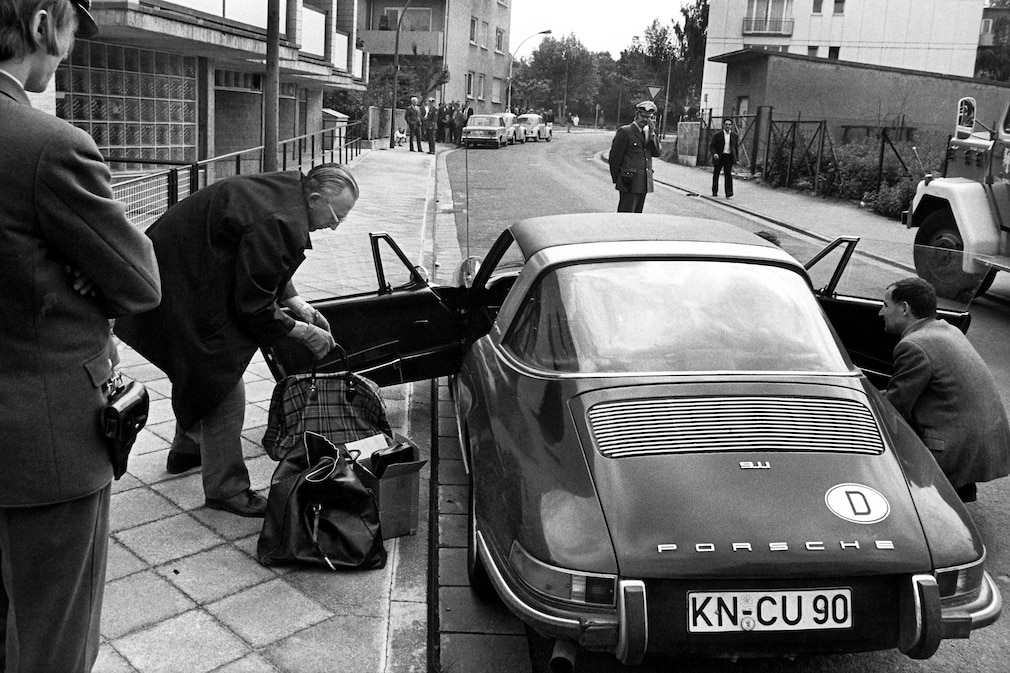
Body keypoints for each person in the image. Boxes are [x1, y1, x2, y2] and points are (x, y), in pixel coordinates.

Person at [0, 1, 162, 670]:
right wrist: (75, 276)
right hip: (43, 450)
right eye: (69, 33)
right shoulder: (47, 145)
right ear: (42, 24)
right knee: (50, 644)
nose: (66, 52)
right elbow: (139, 280)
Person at [115, 164, 358, 517]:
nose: (336, 225)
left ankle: (187, 449)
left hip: (179, 275)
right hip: (175, 287)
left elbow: (261, 261)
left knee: (199, 369)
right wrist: (304, 333)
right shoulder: (280, 219)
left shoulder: (289, 190)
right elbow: (254, 307)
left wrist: (297, 304)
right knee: (223, 383)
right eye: (337, 215)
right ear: (315, 197)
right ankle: (226, 489)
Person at [880, 277, 1010, 502]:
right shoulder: (947, 330)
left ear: (904, 309)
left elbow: (895, 408)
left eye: (885, 305)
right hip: (982, 442)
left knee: (883, 451)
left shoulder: (913, 345)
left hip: (953, 449)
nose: (880, 313)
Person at [608, 100, 662, 213]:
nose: (646, 120)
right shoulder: (625, 131)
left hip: (643, 181)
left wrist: (652, 134)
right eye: (643, 116)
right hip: (628, 181)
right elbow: (614, 158)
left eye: (649, 117)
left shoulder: (648, 133)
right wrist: (618, 178)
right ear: (637, 115)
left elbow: (657, 153)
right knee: (626, 215)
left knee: (637, 217)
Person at [711, 118, 739, 197]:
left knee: (728, 174)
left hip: (728, 156)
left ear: (731, 126)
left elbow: (735, 148)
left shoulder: (734, 135)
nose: (727, 126)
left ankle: (729, 192)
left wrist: (737, 158)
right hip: (720, 156)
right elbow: (712, 146)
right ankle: (715, 191)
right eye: (726, 124)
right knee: (716, 174)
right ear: (723, 125)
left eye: (729, 125)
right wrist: (714, 154)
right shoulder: (717, 135)